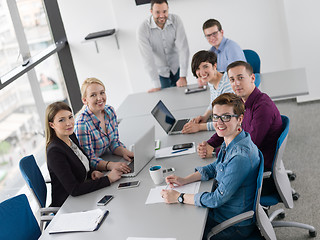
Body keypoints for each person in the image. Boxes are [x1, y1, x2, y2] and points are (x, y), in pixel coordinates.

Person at [162, 93, 261, 239]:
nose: (219, 122)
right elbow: (216, 166)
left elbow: (216, 199)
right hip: (223, 213)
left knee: (180, 230)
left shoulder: (240, 156)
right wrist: (184, 180)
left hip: (233, 225)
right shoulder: (234, 138)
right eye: (215, 116)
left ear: (239, 119)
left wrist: (180, 197)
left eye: (226, 117)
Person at [198, 61, 282, 173]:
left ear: (252, 78)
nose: (236, 83)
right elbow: (226, 124)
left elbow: (249, 147)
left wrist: (215, 152)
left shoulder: (263, 107)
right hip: (243, 157)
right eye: (232, 80)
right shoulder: (240, 101)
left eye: (240, 78)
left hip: (255, 163)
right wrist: (209, 144)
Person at [45, 102, 122, 207]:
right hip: (68, 204)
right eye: (61, 120)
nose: (69, 123)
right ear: (52, 125)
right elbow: (74, 189)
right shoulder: (55, 152)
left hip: (83, 196)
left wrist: (91, 173)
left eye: (70, 117)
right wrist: (108, 179)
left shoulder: (70, 136)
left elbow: (80, 162)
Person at [75, 78, 132, 174]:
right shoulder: (82, 123)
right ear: (85, 100)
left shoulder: (109, 111)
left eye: (102, 93)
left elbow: (113, 142)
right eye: (93, 95)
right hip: (95, 170)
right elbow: (90, 159)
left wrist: (124, 151)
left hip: (107, 158)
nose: (99, 98)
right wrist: (111, 165)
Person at [137, 0, 189, 93]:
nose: (161, 15)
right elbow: (147, 58)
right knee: (166, 99)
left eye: (164, 11)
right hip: (160, 71)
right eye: (157, 12)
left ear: (168, 10)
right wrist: (156, 84)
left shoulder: (176, 20)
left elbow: (183, 48)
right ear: (151, 11)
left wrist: (183, 76)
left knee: (182, 96)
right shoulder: (143, 29)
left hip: (176, 67)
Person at [182, 50, 233, 134]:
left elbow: (227, 121)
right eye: (198, 68)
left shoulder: (227, 85)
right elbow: (214, 103)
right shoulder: (212, 82)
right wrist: (205, 116)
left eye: (205, 66)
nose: (202, 72)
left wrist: (199, 127)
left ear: (214, 66)